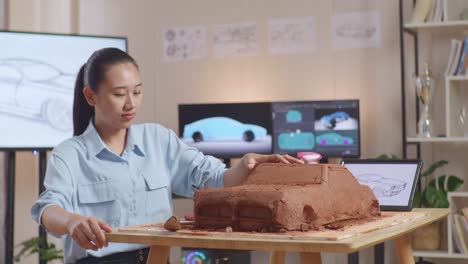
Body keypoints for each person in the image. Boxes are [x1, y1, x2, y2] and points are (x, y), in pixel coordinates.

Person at [31, 47, 303, 264]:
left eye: (137, 92)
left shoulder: (158, 139)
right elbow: (47, 209)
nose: (131, 104)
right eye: (119, 94)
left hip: (158, 258)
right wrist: (72, 221)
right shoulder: (70, 153)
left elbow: (213, 178)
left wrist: (246, 164)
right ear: (91, 96)